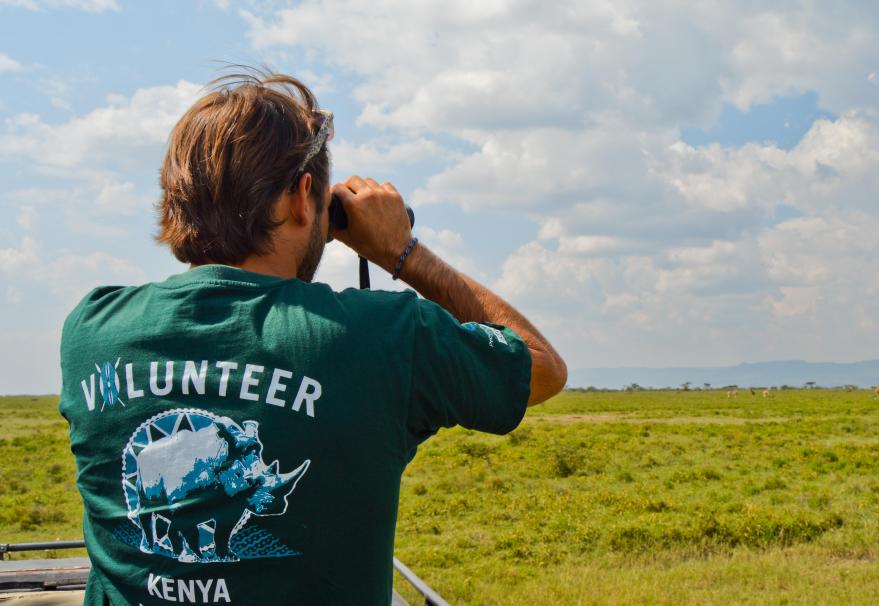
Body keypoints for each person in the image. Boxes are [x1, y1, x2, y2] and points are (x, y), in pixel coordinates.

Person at [58, 70, 567, 606]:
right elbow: (542, 367)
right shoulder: (382, 335)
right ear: (303, 198)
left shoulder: (91, 328)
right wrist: (402, 252)